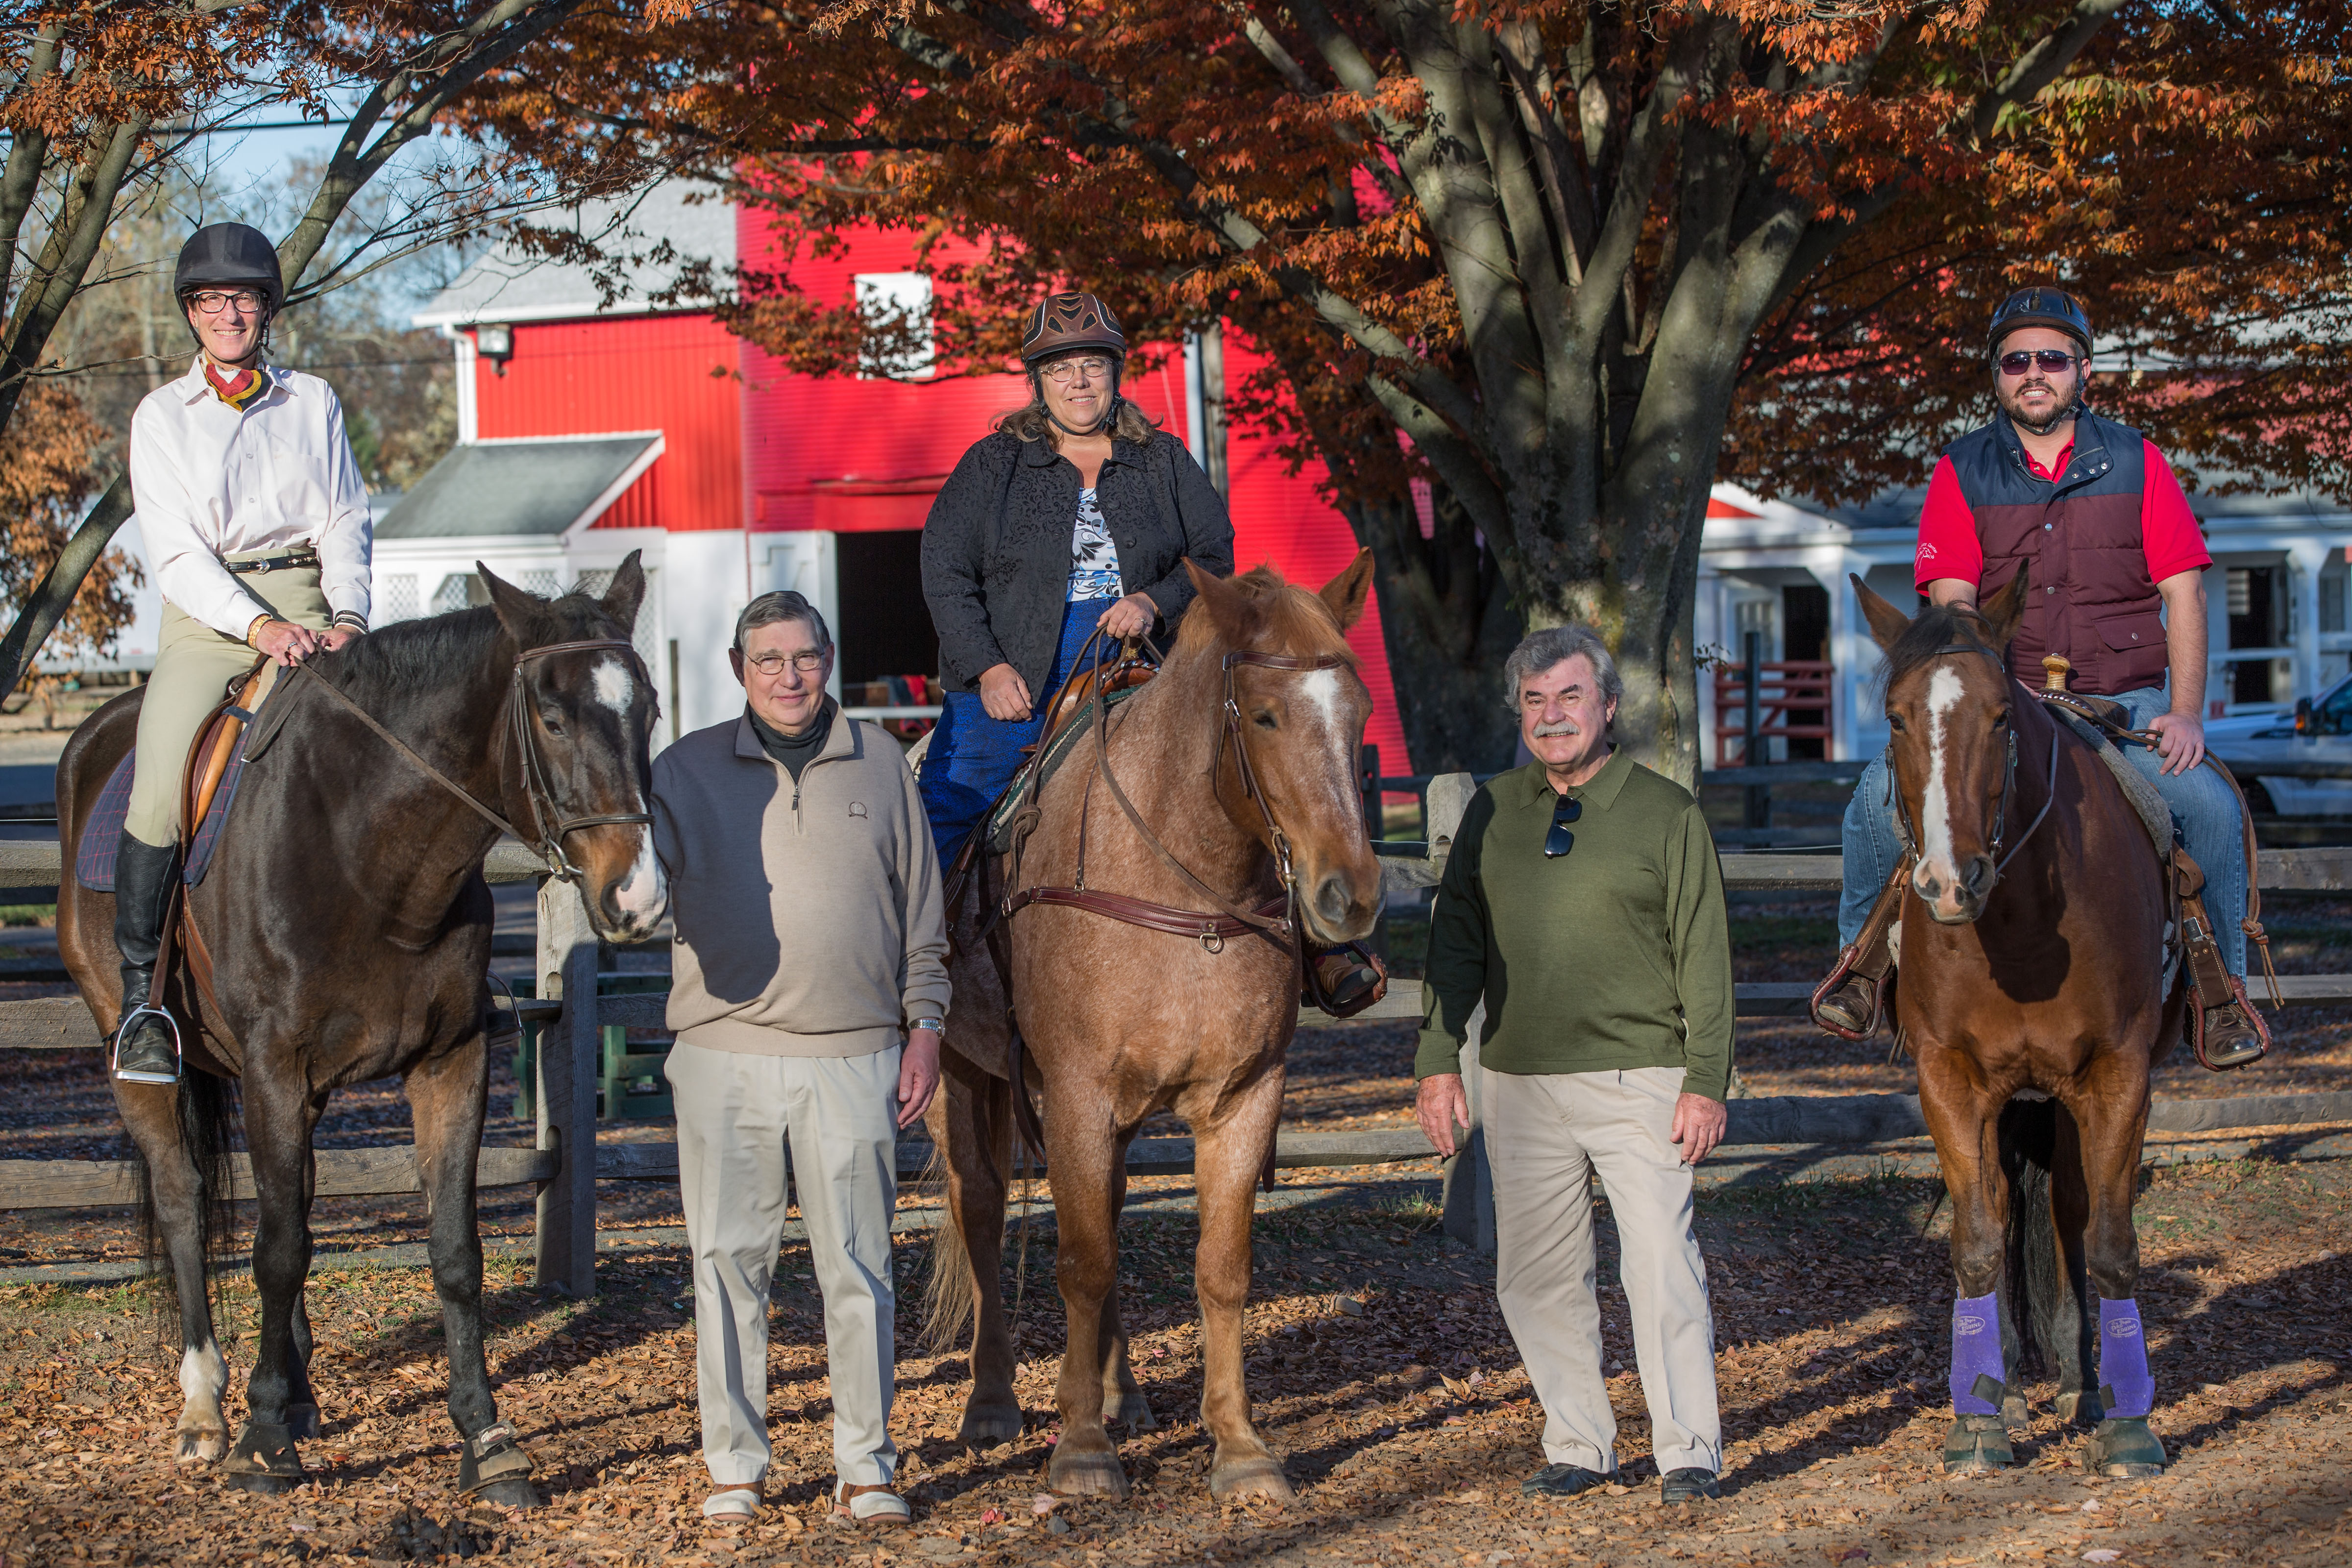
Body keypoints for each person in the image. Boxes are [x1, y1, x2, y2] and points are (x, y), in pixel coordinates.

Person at [1811, 286, 2265, 1066]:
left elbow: (2184, 593)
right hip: (2006, 702)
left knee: (2211, 807)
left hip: (2124, 700)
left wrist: (2186, 714)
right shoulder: (1961, 471)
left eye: (2050, 359)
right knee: (1869, 805)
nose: (2033, 373)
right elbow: (1953, 611)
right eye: (2015, 360)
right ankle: (1862, 968)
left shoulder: (2139, 461)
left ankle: (2217, 994)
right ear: (1996, 376)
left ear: (2082, 370)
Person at [917, 290, 1375, 1006]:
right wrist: (986, 666)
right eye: (1061, 367)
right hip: (1018, 665)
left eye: (1092, 365)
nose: (1079, 381)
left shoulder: (1160, 459)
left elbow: (1213, 553)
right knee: (953, 795)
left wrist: (1153, 601)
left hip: (1149, 654)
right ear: (1036, 381)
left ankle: (1324, 945)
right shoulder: (994, 465)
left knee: (1252, 767)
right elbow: (944, 566)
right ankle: (916, 965)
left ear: (1116, 372)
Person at [1414, 626, 1734, 1504]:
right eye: (1535, 702)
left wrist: (1706, 1080)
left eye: (1569, 698)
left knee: (1661, 1266)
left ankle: (1689, 1452)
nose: (1552, 717)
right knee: (1537, 1274)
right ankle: (1580, 1443)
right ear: (1519, 714)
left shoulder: (1666, 814)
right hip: (1517, 1079)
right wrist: (1441, 1061)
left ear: (1608, 705)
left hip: (1642, 1079)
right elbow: (1456, 947)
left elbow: (1705, 957)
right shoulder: (1491, 810)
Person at [652, 590, 948, 1528]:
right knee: (728, 1263)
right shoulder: (682, 770)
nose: (788, 676)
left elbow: (921, 908)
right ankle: (734, 1466)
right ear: (740, 670)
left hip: (855, 1055)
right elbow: (630, 884)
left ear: (829, 658)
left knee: (858, 1268)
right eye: (768, 659)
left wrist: (926, 1023)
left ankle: (866, 1465)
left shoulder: (882, 765)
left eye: (805, 657)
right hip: (722, 1055)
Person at [111, 222, 372, 1084]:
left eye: (244, 298)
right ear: (191, 312)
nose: (229, 313)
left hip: (313, 602)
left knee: (404, 744)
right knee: (157, 788)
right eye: (211, 301)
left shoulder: (314, 401)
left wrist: (350, 617)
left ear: (268, 307)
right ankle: (142, 1003)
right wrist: (257, 629)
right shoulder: (161, 417)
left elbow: (343, 518)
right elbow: (178, 553)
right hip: (209, 616)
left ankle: (420, 962)